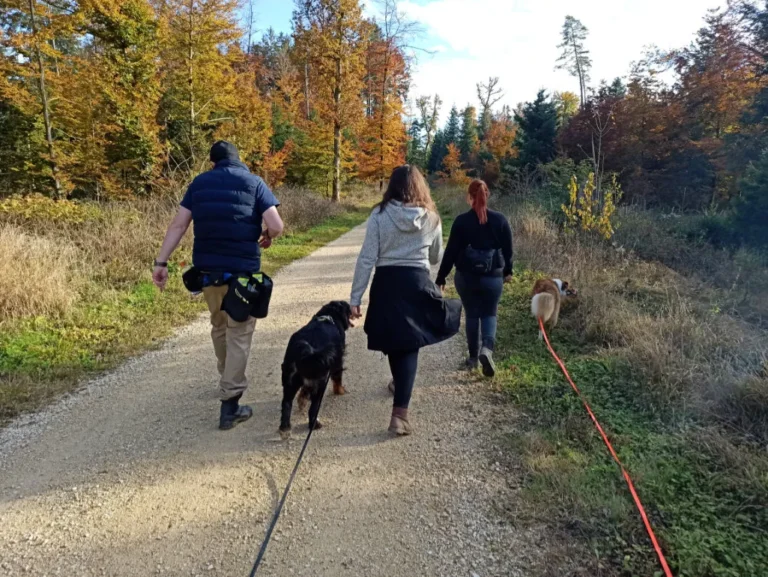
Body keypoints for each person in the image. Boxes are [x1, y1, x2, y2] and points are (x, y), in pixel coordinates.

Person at [152, 141, 284, 430]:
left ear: (213, 162)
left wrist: (161, 262)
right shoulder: (255, 182)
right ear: (239, 160)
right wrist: (266, 235)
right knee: (239, 332)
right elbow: (276, 225)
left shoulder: (199, 184)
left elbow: (178, 225)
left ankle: (227, 379)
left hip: (209, 274)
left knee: (219, 326)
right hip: (243, 276)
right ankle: (230, 406)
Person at [350, 165, 461, 436]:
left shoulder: (379, 215)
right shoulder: (432, 218)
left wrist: (355, 297)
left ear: (392, 186)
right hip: (417, 282)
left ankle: (399, 392)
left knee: (394, 339)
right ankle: (400, 413)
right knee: (409, 344)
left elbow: (367, 257)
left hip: (387, 283)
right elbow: (435, 258)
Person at [436, 179, 513, 378]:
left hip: (466, 277)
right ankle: (486, 349)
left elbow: (451, 252)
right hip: (493, 277)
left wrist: (441, 276)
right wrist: (508, 271)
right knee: (489, 313)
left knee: (471, 314)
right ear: (487, 195)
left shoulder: (461, 221)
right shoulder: (500, 220)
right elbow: (509, 250)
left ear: (469, 197)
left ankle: (472, 359)